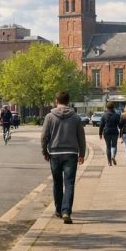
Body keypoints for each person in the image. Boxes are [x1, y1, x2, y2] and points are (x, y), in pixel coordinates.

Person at [40, 91, 87, 224]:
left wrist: (45, 151)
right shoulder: (76, 117)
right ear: (68, 102)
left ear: (56, 101)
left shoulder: (49, 117)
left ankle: (59, 210)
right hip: (71, 154)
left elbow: (44, 136)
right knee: (69, 183)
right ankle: (66, 211)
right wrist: (82, 154)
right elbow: (81, 137)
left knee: (57, 182)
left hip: (54, 154)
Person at [99, 101, 121, 166]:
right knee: (114, 145)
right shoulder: (117, 115)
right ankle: (113, 156)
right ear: (113, 107)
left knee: (108, 147)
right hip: (114, 131)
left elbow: (101, 125)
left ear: (107, 107)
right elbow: (119, 125)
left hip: (106, 132)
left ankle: (109, 162)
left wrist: (100, 133)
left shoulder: (104, 115)